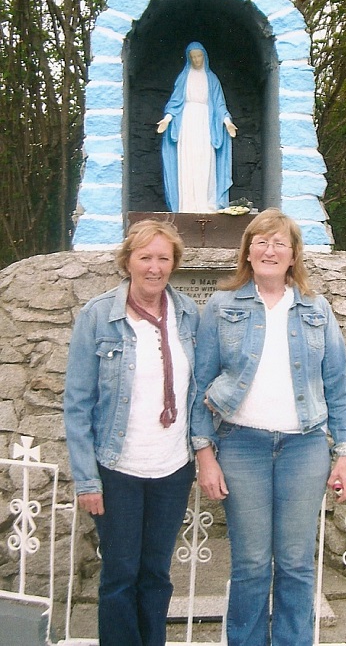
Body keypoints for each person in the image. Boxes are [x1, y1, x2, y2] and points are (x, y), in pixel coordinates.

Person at [191, 208, 346, 646]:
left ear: (293, 255)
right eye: (260, 241)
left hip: (305, 449)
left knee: (297, 561)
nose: (269, 249)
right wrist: (204, 453)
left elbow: (336, 385)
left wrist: (344, 455)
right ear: (247, 251)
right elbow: (199, 383)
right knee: (250, 562)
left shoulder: (317, 310)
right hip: (241, 446)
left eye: (279, 242)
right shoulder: (222, 307)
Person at [64, 219, 200, 646]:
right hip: (118, 467)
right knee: (121, 575)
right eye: (145, 257)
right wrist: (87, 478)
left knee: (156, 574)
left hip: (172, 468)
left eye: (163, 258)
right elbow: (78, 402)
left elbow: (200, 387)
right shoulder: (99, 316)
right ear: (128, 262)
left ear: (174, 264)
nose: (154, 267)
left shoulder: (188, 315)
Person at [157, 41, 237, 213]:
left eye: (199, 56)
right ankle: (187, 205)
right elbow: (175, 102)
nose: (196, 60)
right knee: (188, 161)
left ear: (204, 57)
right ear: (189, 58)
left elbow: (219, 103)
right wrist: (167, 118)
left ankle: (207, 203)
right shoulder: (183, 77)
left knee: (205, 160)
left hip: (205, 124)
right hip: (187, 123)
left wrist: (227, 121)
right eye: (193, 57)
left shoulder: (212, 79)